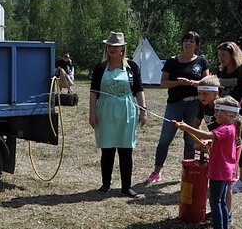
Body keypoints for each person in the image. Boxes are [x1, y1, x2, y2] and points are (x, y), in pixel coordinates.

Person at [172, 95, 242, 229]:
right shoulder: (231, 128)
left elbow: (207, 134)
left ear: (228, 114)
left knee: (215, 202)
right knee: (221, 201)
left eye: (218, 112)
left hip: (219, 170)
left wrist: (187, 128)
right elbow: (216, 142)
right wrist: (211, 145)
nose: (215, 115)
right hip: (224, 170)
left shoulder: (225, 128)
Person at [145, 31, 210, 184]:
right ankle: (157, 172)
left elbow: (207, 82)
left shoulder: (201, 61)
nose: (188, 44)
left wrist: (193, 83)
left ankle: (188, 170)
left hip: (194, 104)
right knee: (165, 138)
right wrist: (178, 83)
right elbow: (163, 83)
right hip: (175, 104)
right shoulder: (172, 61)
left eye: (192, 41)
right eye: (186, 41)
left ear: (197, 45)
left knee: (190, 138)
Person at [89, 32, 148, 197]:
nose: (112, 49)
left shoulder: (132, 67)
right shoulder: (100, 67)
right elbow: (93, 92)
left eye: (116, 46)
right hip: (106, 109)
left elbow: (138, 90)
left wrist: (143, 111)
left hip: (126, 110)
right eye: (110, 46)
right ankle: (105, 184)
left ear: (123, 47)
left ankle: (126, 186)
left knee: (125, 148)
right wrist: (92, 113)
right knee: (107, 148)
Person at [192, 74, 236, 221]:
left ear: (216, 93)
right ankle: (218, 212)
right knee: (217, 180)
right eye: (199, 93)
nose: (201, 96)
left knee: (226, 182)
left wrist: (207, 141)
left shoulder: (222, 108)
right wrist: (197, 141)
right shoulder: (202, 105)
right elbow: (197, 123)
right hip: (216, 143)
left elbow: (223, 133)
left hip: (230, 146)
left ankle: (226, 214)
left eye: (205, 93)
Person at [217, 41, 242, 193]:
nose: (221, 58)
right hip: (226, 116)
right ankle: (230, 177)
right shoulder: (222, 70)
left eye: (224, 55)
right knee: (229, 146)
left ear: (233, 55)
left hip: (241, 115)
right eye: (219, 55)